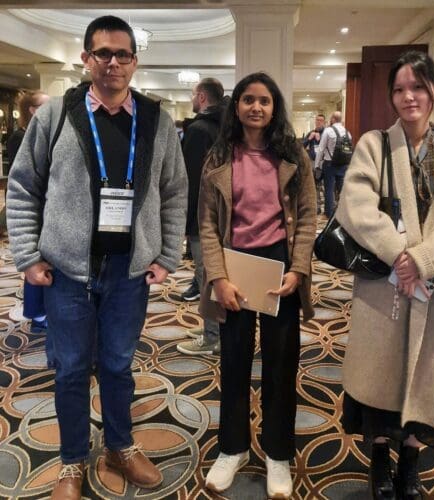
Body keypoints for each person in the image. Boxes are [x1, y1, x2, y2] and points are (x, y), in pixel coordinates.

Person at [7, 15, 187, 500]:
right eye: (102, 53)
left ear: (134, 61)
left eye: (122, 54)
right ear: (86, 59)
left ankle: (120, 446)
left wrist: (168, 254)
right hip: (67, 271)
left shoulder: (156, 119)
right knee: (68, 368)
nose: (112, 62)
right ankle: (71, 460)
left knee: (118, 364)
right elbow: (24, 187)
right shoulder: (56, 115)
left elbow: (174, 192)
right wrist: (27, 255)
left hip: (129, 271)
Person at [335, 51, 434, 500]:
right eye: (399, 89)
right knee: (380, 380)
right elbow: (356, 206)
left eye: (417, 87)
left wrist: (425, 258)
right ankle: (380, 461)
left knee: (430, 381)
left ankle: (411, 463)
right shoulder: (374, 144)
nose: (408, 97)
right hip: (387, 289)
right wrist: (401, 255)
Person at [198, 72, 316, 499]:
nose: (256, 108)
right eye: (248, 100)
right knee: (233, 362)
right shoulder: (218, 156)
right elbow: (207, 226)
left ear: (274, 107)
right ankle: (232, 448)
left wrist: (298, 269)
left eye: (264, 101)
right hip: (233, 269)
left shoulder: (292, 154)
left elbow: (306, 217)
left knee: (281, 366)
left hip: (280, 270)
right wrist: (218, 278)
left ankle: (278, 453)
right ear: (236, 107)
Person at [177, 77, 225, 355]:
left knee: (206, 274)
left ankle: (212, 336)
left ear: (203, 97)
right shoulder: (226, 124)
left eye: (194, 95)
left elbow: (191, 179)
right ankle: (213, 326)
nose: (192, 100)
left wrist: (186, 221)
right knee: (214, 272)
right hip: (222, 211)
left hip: (202, 212)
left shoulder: (198, 130)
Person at [6, 91, 53, 362]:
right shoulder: (20, 137)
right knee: (35, 264)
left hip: (45, 207)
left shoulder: (41, 135)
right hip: (33, 208)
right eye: (45, 107)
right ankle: (37, 313)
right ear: (33, 111)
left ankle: (40, 312)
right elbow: (22, 181)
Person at [315, 111, 352, 218]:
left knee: (329, 189)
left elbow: (321, 149)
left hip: (330, 164)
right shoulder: (347, 132)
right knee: (342, 190)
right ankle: (343, 213)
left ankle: (329, 213)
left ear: (332, 119)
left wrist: (317, 165)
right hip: (344, 164)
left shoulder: (328, 131)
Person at [303, 113, 326, 214]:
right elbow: (302, 146)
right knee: (315, 185)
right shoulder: (311, 132)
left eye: (320, 120)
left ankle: (329, 206)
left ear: (324, 122)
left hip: (324, 162)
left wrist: (319, 140)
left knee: (325, 186)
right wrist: (309, 138)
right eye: (317, 120)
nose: (318, 122)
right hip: (312, 162)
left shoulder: (327, 133)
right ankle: (317, 207)